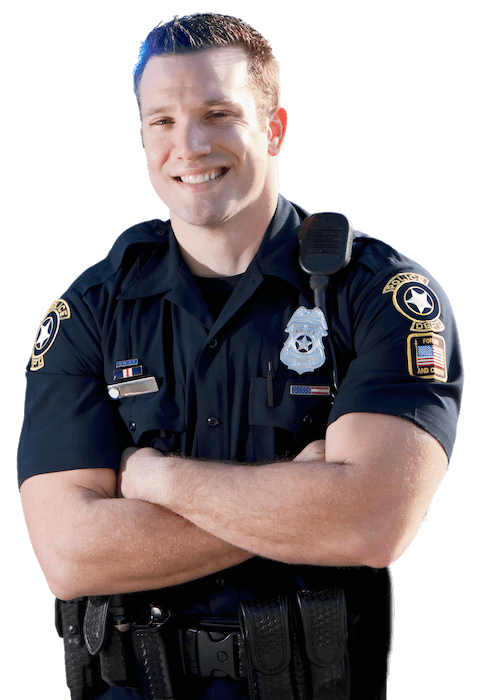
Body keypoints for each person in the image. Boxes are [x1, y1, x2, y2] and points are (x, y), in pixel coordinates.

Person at [17, 13, 463, 700]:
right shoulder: (90, 311)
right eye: (161, 121)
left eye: (217, 113)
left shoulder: (377, 295)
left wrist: (155, 480)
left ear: (274, 128)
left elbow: (370, 524)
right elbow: (70, 556)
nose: (187, 146)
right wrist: (302, 504)